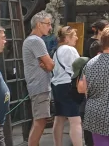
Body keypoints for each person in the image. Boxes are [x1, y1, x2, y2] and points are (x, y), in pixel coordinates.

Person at [23, 11, 55, 146]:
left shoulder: (31, 40)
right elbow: (50, 64)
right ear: (38, 24)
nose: (50, 27)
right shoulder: (36, 41)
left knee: (41, 120)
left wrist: (47, 65)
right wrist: (48, 64)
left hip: (37, 85)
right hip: (39, 85)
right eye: (48, 24)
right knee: (40, 121)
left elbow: (47, 65)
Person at [51, 26, 83, 146]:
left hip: (57, 85)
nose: (76, 37)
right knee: (75, 120)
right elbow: (77, 68)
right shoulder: (70, 50)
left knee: (59, 118)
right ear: (67, 38)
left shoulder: (57, 51)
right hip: (68, 85)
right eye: (74, 35)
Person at [73, 40, 103, 146]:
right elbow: (81, 88)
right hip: (98, 109)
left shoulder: (87, 65)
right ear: (100, 54)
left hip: (86, 107)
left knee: (90, 140)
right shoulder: (96, 66)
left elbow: (80, 88)